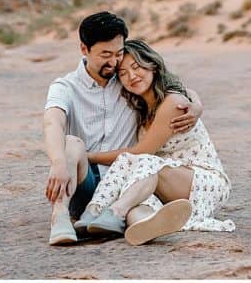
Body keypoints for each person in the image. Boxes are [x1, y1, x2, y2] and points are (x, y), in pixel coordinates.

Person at [43, 12, 204, 245]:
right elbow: (52, 122)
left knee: (136, 203)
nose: (114, 62)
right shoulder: (65, 87)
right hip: (83, 181)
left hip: (125, 180)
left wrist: (196, 106)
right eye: (105, 55)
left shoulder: (127, 79)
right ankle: (59, 218)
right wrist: (58, 161)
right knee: (71, 143)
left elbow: (174, 87)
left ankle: (142, 225)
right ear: (84, 49)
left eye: (118, 53)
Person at [76, 39, 234, 245]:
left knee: (140, 159)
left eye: (136, 67)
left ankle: (112, 211)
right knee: (136, 196)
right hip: (162, 181)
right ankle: (142, 224)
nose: (131, 76)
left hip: (204, 183)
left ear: (152, 65)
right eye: (123, 73)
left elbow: (143, 151)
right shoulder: (142, 109)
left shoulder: (173, 102)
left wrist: (89, 156)